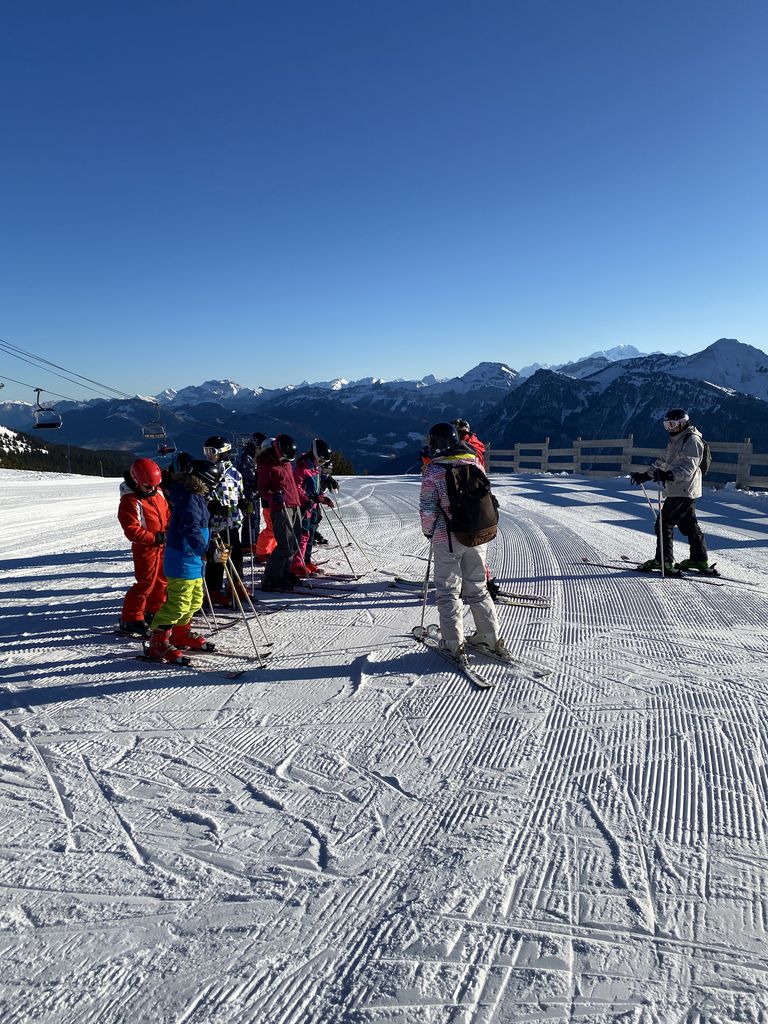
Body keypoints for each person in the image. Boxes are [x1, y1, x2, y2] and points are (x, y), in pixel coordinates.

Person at [419, 422, 509, 660]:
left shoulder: (434, 471)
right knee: (478, 587)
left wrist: (429, 532)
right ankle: (490, 637)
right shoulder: (474, 462)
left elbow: (428, 509)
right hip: (478, 533)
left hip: (447, 537)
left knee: (448, 590)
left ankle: (452, 642)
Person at [147, 459, 227, 663]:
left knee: (195, 601)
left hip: (194, 561)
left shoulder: (196, 497)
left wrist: (213, 516)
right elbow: (190, 528)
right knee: (179, 604)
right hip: (182, 560)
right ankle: (157, 641)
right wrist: (207, 549)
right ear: (206, 481)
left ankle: (181, 634)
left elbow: (199, 522)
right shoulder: (189, 499)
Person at [630, 408, 711, 572]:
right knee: (689, 525)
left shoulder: (692, 440)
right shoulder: (676, 439)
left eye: (672, 424)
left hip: (683, 489)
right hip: (680, 488)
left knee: (663, 523)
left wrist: (668, 475)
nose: (670, 428)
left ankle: (664, 561)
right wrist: (646, 475)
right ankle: (699, 559)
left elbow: (689, 467)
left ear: (683, 423)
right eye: (667, 425)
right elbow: (662, 461)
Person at [117, 458, 171, 637]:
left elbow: (167, 513)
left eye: (154, 486)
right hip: (145, 548)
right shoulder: (131, 500)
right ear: (136, 481)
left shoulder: (158, 492)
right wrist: (154, 537)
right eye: (148, 487)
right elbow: (132, 530)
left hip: (162, 544)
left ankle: (153, 610)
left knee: (162, 580)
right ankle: (131, 618)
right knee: (146, 583)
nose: (151, 489)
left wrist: (171, 528)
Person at [202, 435, 246, 606]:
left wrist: (243, 502)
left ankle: (236, 584)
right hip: (216, 524)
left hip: (232, 522)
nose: (208, 455)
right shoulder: (207, 472)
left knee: (236, 555)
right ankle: (213, 589)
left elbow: (239, 493)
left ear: (223, 452)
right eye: (206, 451)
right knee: (218, 557)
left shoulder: (235, 473)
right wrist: (213, 506)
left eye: (212, 451)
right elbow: (202, 496)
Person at [257, 434, 303, 591]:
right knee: (285, 544)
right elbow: (262, 489)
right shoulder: (266, 464)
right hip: (280, 507)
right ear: (277, 450)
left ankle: (284, 572)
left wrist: (302, 499)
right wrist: (273, 496)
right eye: (284, 457)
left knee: (295, 542)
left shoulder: (286, 462)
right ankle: (271, 578)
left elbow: (291, 483)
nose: (287, 460)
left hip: (294, 504)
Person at [291, 438, 335, 576]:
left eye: (323, 462)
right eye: (320, 460)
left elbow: (316, 488)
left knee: (310, 535)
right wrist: (307, 498)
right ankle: (297, 565)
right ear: (315, 455)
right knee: (303, 536)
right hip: (304, 507)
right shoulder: (302, 467)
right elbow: (296, 487)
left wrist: (323, 498)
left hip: (313, 507)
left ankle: (306, 561)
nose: (321, 464)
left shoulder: (315, 468)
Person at [236, 432, 265, 552]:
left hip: (254, 492)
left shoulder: (254, 456)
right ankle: (248, 543)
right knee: (250, 517)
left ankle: (255, 542)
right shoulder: (246, 457)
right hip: (248, 491)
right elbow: (249, 476)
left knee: (256, 518)